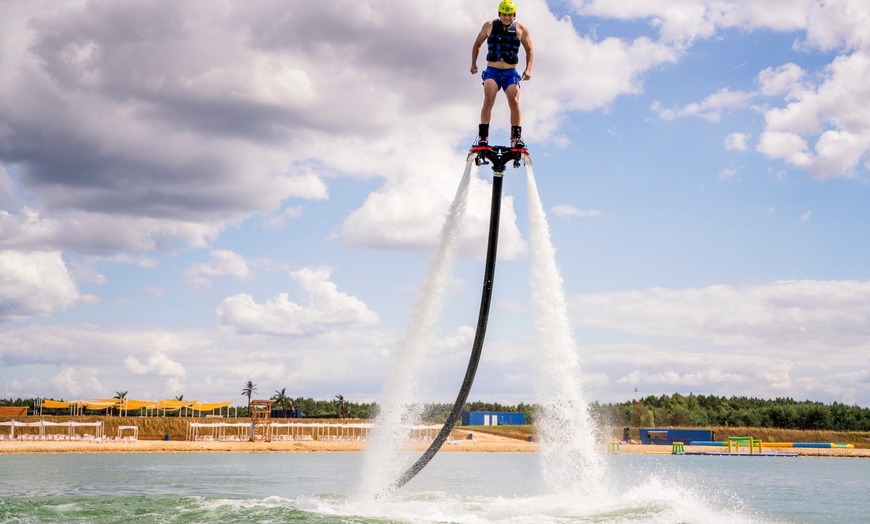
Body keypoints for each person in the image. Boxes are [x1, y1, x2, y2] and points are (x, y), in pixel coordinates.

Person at [470, 0, 534, 149]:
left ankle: (515, 137)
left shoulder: (521, 29)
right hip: (492, 70)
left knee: (514, 101)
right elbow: (477, 43)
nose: (506, 17)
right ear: (499, 14)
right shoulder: (489, 26)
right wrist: (473, 63)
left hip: (511, 72)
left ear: (514, 15)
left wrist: (528, 69)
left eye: (509, 15)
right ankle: (483, 136)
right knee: (488, 99)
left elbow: (529, 50)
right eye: (504, 14)